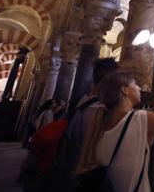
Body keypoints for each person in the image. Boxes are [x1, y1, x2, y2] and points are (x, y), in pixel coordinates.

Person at [76, 71, 154, 192]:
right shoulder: (139, 118)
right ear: (125, 90)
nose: (139, 88)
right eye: (135, 84)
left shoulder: (102, 125)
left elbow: (147, 140)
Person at [44, 58, 119, 192]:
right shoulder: (98, 111)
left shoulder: (80, 103)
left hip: (69, 174)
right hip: (84, 180)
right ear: (112, 82)